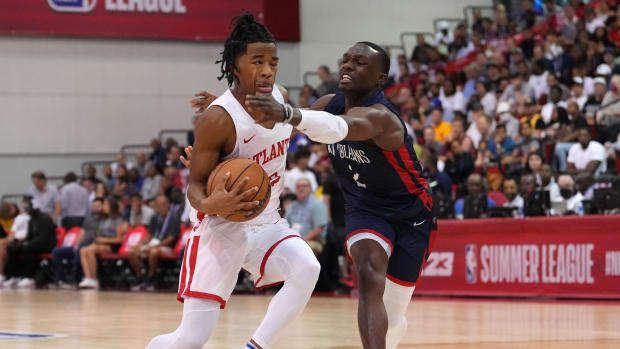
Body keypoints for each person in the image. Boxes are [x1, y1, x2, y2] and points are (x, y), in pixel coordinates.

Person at [246, 41, 437, 349]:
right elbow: (282, 130)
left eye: (359, 63)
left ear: (380, 79)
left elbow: (340, 128)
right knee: (368, 269)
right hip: (364, 210)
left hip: (411, 215)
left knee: (394, 311)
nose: (347, 66)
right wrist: (229, 112)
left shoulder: (382, 118)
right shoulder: (328, 103)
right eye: (346, 60)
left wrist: (288, 112)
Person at [147, 14, 320, 349]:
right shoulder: (217, 120)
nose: (268, 70)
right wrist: (212, 203)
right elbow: (194, 188)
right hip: (220, 224)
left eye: (273, 62)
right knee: (191, 339)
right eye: (257, 61)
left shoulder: (281, 98)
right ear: (234, 65)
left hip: (267, 221)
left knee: (307, 267)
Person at [128, 195, 180, 291]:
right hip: (153, 244)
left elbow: (171, 239)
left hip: (167, 246)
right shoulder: (154, 217)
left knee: (153, 251)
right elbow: (149, 235)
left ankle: (151, 278)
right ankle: (140, 278)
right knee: (131, 251)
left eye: (163, 204)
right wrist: (140, 244)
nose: (161, 207)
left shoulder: (174, 218)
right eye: (158, 205)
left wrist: (156, 245)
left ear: (168, 205)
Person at [3, 198, 56, 289]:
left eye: (28, 208)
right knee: (11, 247)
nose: (26, 210)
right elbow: (29, 235)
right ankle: (14, 276)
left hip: (46, 245)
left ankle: (29, 276)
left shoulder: (45, 218)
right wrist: (19, 242)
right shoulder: (32, 219)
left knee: (27, 248)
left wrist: (27, 243)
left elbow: (43, 237)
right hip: (34, 243)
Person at [52, 198, 105, 288]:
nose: (96, 208)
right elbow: (82, 232)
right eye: (94, 206)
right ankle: (61, 280)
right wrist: (76, 244)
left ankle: (75, 280)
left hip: (92, 245)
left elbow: (101, 234)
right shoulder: (88, 218)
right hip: (81, 245)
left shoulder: (104, 220)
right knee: (57, 251)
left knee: (79, 252)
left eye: (98, 206)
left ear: (103, 207)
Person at [78, 197, 124, 289]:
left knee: (91, 250)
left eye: (105, 205)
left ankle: (94, 279)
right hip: (101, 243)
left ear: (112, 206)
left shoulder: (118, 220)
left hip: (112, 245)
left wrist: (102, 239)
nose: (104, 207)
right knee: (83, 250)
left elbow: (119, 239)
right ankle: (88, 277)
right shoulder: (104, 219)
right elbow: (100, 233)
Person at [284, 178, 328, 256]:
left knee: (298, 248)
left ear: (310, 188)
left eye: (304, 186)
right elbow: (284, 225)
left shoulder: (317, 204)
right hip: (293, 240)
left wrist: (301, 241)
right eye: (298, 186)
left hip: (313, 240)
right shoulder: (292, 206)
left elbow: (319, 229)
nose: (301, 188)